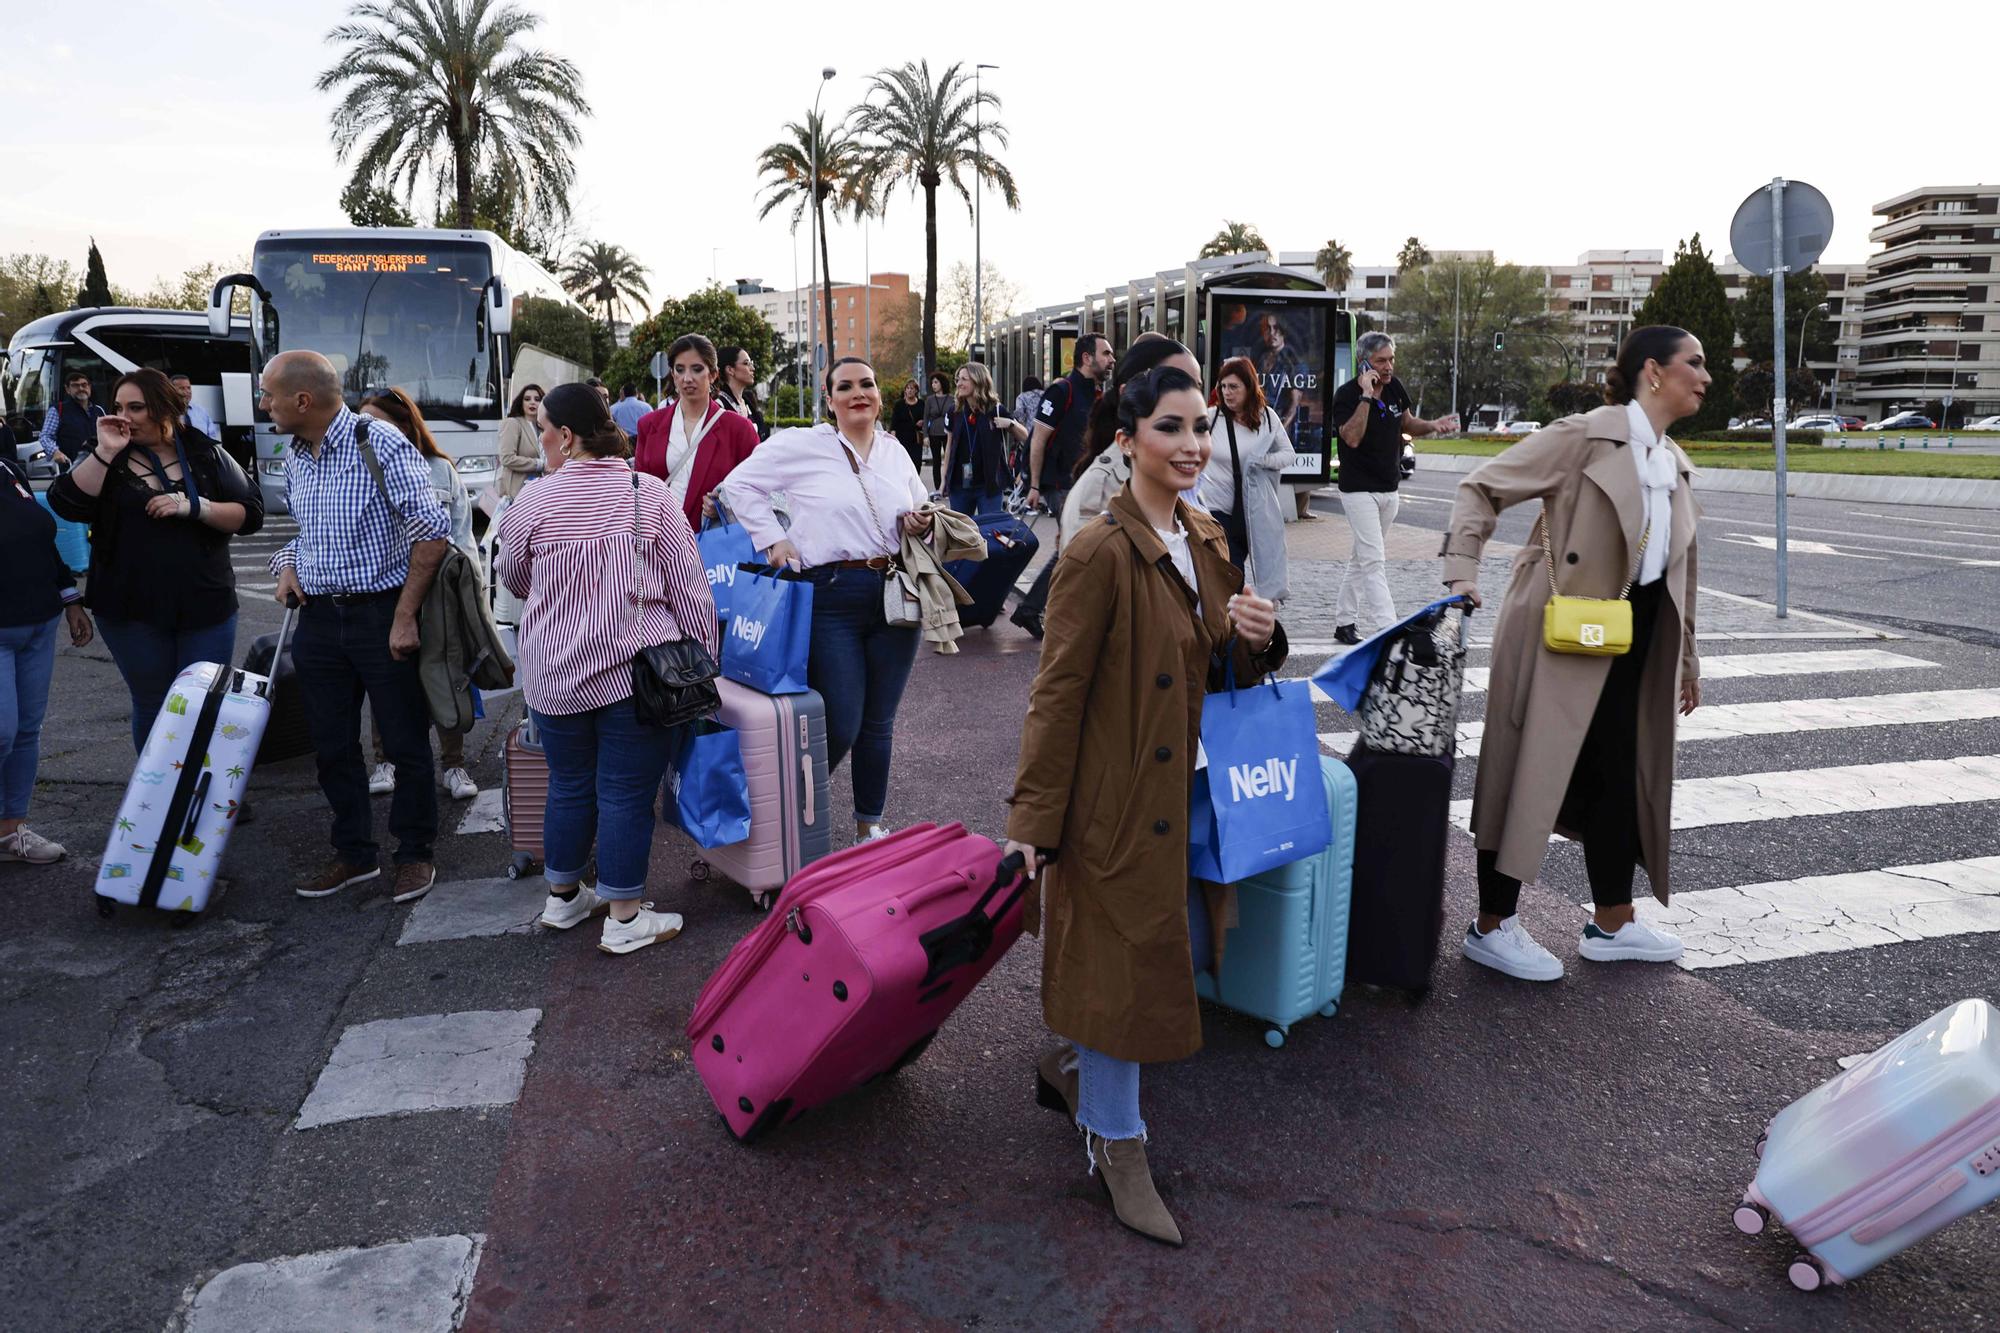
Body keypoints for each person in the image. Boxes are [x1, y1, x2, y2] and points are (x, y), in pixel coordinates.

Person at [1004, 365, 1285, 1246]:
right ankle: (1116, 1140)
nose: (1193, 444)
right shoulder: (1095, 551)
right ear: (1127, 441)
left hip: (1194, 792)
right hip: (1117, 799)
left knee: (1193, 942)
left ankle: (1079, 1060)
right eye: (1171, 428)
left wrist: (1257, 637)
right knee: (1129, 963)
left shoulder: (1205, 534)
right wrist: (1033, 825)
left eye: (1201, 427)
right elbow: (1056, 696)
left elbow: (1224, 667)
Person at [1441, 325, 1706, 982]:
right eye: (1693, 362)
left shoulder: (1672, 462)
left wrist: (1688, 657)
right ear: (1653, 371)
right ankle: (1491, 926)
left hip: (1632, 635)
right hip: (1557, 629)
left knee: (1620, 773)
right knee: (1522, 771)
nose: (1706, 374)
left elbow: (1680, 571)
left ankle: (1612, 922)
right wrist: (1461, 569)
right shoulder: (1585, 435)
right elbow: (1482, 485)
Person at [499, 384, 718, 955]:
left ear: (566, 437)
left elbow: (515, 580)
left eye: (544, 428)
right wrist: (701, 658)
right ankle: (624, 918)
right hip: (634, 677)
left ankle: (564, 898)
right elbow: (689, 589)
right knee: (623, 793)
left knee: (568, 785)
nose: (542, 437)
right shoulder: (650, 495)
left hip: (552, 674)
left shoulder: (533, 501)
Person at [263, 350, 452, 905]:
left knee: (404, 741)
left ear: (303, 400)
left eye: (270, 393)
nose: (263, 403)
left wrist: (403, 616)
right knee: (331, 745)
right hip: (318, 620)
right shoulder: (297, 453)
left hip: (380, 615)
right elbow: (308, 533)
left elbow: (431, 533)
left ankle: (415, 853)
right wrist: (287, 566)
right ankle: (354, 853)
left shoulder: (381, 442)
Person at [720, 357, 934, 843]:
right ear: (829, 397)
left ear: (880, 395)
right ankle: (783, 818)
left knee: (879, 722)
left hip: (895, 593)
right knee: (841, 719)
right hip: (831, 595)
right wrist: (774, 539)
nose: (859, 393)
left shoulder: (895, 452)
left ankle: (868, 827)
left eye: (868, 384)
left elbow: (917, 502)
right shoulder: (803, 445)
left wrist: (917, 519)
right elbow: (740, 485)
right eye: (846, 386)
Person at [51, 368, 264, 752]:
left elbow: (251, 513)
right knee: (155, 703)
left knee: (202, 704)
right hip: (129, 608)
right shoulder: (104, 454)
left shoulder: (205, 451)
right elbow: (67, 504)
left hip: (206, 603)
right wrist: (105, 451)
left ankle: (204, 795)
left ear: (164, 408)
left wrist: (195, 507)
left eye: (136, 407)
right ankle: (158, 801)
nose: (123, 416)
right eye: (118, 406)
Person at [358, 389, 480, 802]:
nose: (369, 433)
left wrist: (469, 596)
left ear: (406, 426)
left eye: (379, 424)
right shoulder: (357, 469)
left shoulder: (440, 469)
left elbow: (463, 537)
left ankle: (454, 765)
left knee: (444, 677)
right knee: (385, 682)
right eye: (363, 424)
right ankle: (384, 759)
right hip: (383, 594)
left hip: (439, 597)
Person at [1327, 332, 1460, 644]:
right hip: (1359, 490)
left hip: (1389, 488)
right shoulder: (1346, 396)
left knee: (1362, 558)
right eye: (1380, 361)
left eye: (1391, 359)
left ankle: (1344, 622)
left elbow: (1407, 423)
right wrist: (1366, 396)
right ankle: (1388, 629)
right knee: (1373, 561)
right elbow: (1352, 437)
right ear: (1364, 364)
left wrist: (1433, 425)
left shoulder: (1396, 388)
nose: (1388, 367)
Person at [0, 452, 94, 864]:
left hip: (39, 622)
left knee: (25, 731)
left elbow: (41, 540)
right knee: (1, 731)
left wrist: (70, 597)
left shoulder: (6, 468)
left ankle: (10, 833)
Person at [1012, 334, 1116, 638]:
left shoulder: (1096, 395)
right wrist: (1033, 485)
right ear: (1087, 358)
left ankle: (1032, 610)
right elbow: (1038, 440)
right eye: (1106, 353)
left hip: (1083, 484)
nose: (1111, 360)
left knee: (1072, 548)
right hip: (1059, 484)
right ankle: (1054, 613)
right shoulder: (1061, 392)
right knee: (1078, 547)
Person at [633, 334, 760, 529]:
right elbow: (639, 492)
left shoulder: (739, 430)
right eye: (680, 369)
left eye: (697, 369)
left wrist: (726, 505)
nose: (687, 378)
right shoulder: (649, 425)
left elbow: (759, 489)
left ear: (713, 374)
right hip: (658, 544)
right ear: (673, 374)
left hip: (711, 547)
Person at [1201, 356, 1298, 604]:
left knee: (1264, 565)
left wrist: (1260, 462)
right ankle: (1229, 628)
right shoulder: (1211, 418)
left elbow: (1288, 455)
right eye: (1223, 386)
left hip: (1253, 510)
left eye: (1234, 387)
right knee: (1231, 573)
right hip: (1216, 509)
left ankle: (1241, 624)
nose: (1227, 393)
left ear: (1249, 387)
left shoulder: (1267, 418)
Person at [944, 363, 1027, 517]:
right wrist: (944, 480)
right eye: (958, 379)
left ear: (978, 381)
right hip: (959, 485)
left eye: (964, 379)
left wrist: (1011, 424)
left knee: (990, 532)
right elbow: (949, 447)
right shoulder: (954, 411)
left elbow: (1025, 436)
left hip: (988, 485)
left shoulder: (995, 409)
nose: (959, 383)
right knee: (960, 534)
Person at [39, 370, 103, 467]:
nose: (81, 388)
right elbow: (46, 436)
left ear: (89, 387)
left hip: (99, 465)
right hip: (71, 467)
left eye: (84, 384)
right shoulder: (58, 410)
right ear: (67, 389)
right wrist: (55, 452)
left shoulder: (99, 410)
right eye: (75, 386)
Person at [497, 384, 545, 500]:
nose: (532, 402)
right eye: (527, 399)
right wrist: (540, 464)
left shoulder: (543, 428)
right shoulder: (513, 423)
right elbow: (507, 458)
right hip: (516, 493)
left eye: (537, 399)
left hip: (537, 492)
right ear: (521, 402)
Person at [715, 345, 770, 441]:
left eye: (751, 363)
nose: (752, 368)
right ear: (730, 370)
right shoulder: (719, 406)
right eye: (746, 363)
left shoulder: (749, 403)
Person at [922, 372, 953, 492]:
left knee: (949, 460)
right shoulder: (930, 400)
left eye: (936, 382)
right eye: (932, 383)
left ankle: (948, 486)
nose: (933, 385)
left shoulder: (951, 399)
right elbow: (925, 418)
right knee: (936, 461)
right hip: (933, 433)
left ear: (942, 383)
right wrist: (925, 435)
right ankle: (938, 487)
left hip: (947, 433)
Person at [169, 374, 220, 441]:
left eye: (189, 388)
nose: (187, 391)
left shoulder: (201, 411)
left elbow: (212, 435)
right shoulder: (167, 412)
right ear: (172, 390)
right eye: (182, 388)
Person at [890, 379, 925, 473]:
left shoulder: (921, 404)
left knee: (916, 464)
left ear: (916, 390)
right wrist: (893, 437)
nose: (909, 390)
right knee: (903, 465)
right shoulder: (899, 404)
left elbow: (927, 419)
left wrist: (923, 422)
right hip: (902, 439)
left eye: (912, 388)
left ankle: (915, 484)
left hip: (916, 439)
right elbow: (894, 422)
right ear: (905, 390)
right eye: (907, 388)